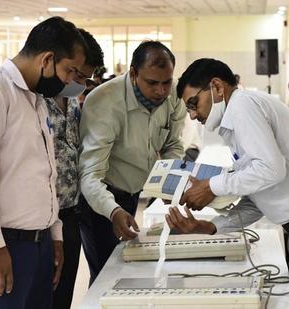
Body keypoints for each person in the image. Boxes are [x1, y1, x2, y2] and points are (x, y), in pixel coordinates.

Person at [169, 58, 289, 309]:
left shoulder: (242, 105)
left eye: (194, 103)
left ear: (216, 87)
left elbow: (271, 169)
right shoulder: (235, 122)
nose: (193, 115)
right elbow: (258, 197)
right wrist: (212, 227)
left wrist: (211, 186)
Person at [0, 17, 87, 308]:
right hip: (6, 244)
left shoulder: (36, 98)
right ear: (48, 59)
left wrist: (55, 234)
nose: (69, 81)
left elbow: (46, 171)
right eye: (69, 71)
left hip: (39, 244)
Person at [78, 41, 185, 285]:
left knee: (131, 268)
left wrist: (170, 178)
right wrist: (113, 210)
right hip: (100, 199)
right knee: (105, 275)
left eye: (166, 82)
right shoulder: (104, 102)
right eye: (152, 83)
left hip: (133, 191)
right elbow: (90, 175)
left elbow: (172, 145)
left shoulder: (173, 94)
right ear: (134, 74)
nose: (160, 91)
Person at [47, 28, 103, 309]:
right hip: (39, 219)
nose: (78, 82)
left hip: (70, 214)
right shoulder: (35, 100)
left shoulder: (72, 105)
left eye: (85, 78)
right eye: (76, 74)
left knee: (63, 294)